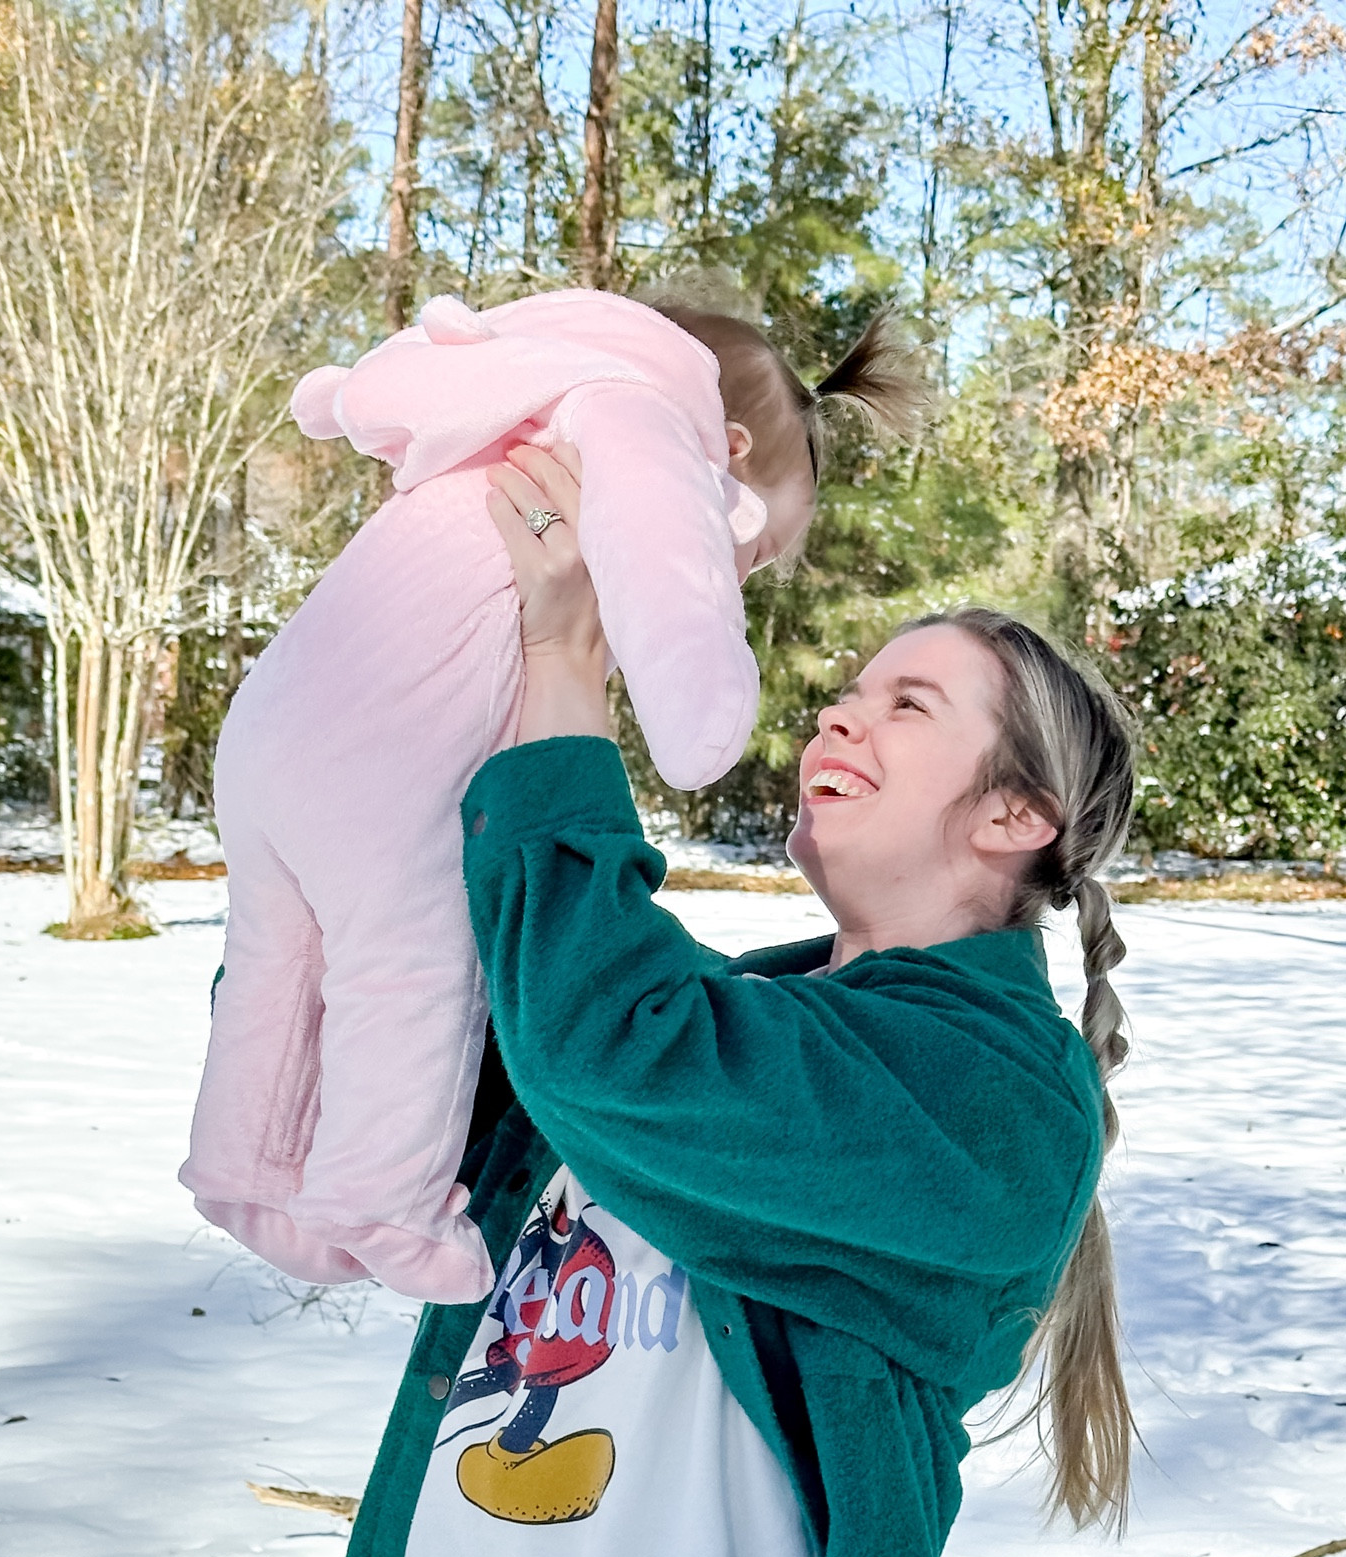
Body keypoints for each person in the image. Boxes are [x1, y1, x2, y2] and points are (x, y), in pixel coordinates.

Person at [275, 444, 1138, 1557]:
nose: (840, 713)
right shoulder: (734, 1021)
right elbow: (366, 1085)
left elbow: (610, 1046)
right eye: (848, 690)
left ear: (1016, 817)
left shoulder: (996, 1100)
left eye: (909, 704)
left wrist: (567, 661)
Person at [179, 292, 917, 1306]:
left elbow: (518, 529)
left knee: (280, 958)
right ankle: (385, 1203)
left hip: (267, 735)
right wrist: (703, 709)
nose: (737, 575)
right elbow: (673, 584)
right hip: (380, 762)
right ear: (728, 453)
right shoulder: (639, 422)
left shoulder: (511, 428)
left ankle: (245, 1166)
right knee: (414, 963)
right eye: (750, 551)